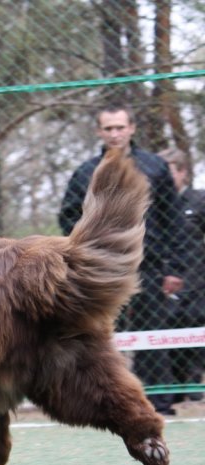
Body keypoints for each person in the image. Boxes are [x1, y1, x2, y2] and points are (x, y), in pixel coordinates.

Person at [59, 104, 187, 416]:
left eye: (120, 127)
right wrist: (87, 252)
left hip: (150, 266)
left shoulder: (155, 166)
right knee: (97, 336)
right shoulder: (86, 172)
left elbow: (173, 222)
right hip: (101, 269)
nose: (115, 133)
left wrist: (173, 268)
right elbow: (67, 216)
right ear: (99, 132)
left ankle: (158, 403)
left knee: (153, 334)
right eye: (108, 128)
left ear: (131, 128)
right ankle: (100, 401)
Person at [157, 147, 204, 401]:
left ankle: (193, 381)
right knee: (165, 331)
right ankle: (172, 387)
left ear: (183, 172)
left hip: (197, 283)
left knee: (195, 326)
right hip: (162, 284)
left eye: (169, 171)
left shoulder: (199, 200)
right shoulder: (152, 207)